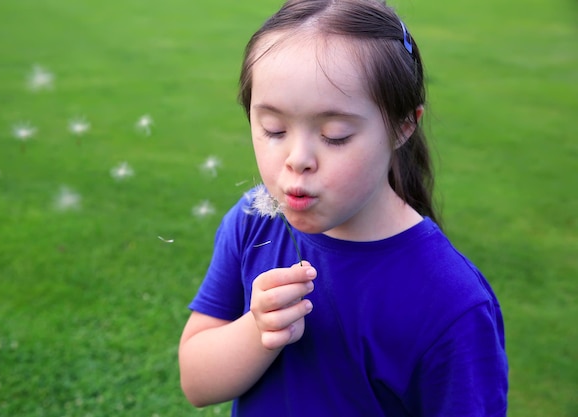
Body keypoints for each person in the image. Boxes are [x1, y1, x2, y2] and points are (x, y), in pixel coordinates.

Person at [179, 0, 509, 415]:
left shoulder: (451, 303)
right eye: (273, 129)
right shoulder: (254, 223)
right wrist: (257, 330)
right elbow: (196, 383)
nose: (297, 158)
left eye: (335, 134)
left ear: (403, 126)